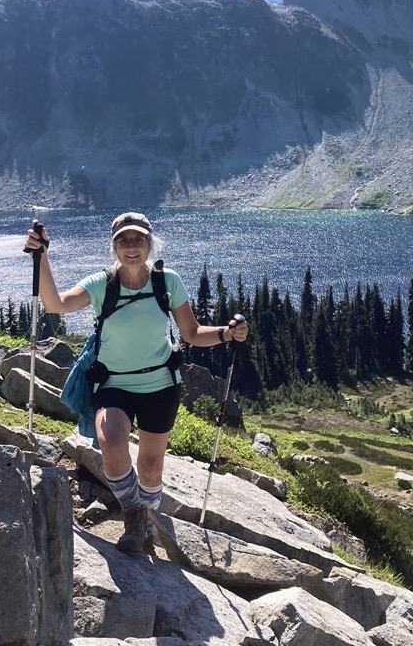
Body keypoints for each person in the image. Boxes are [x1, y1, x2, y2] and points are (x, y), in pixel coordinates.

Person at [25, 210, 249, 555]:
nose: (131, 247)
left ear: (149, 243)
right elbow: (55, 304)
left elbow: (190, 332)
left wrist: (224, 333)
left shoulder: (167, 281)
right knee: (111, 442)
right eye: (123, 240)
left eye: (138, 240)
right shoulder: (102, 284)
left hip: (160, 384)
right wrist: (43, 256)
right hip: (113, 383)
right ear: (114, 246)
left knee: (151, 464)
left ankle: (145, 520)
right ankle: (134, 515)